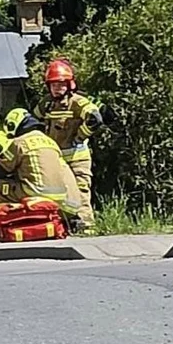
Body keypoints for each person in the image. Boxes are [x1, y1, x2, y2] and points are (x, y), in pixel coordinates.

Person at [35, 60, 103, 228]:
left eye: (61, 84)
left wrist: (80, 137)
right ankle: (64, 224)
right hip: (56, 159)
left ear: (69, 84)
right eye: (53, 84)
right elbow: (33, 122)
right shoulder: (46, 103)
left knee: (81, 190)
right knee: (57, 192)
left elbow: (95, 119)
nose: (57, 88)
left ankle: (86, 225)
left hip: (76, 158)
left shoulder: (78, 102)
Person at [0, 120, 81, 220]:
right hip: (67, 203)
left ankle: (3, 218)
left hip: (39, 193)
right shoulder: (50, 143)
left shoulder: (17, 143)